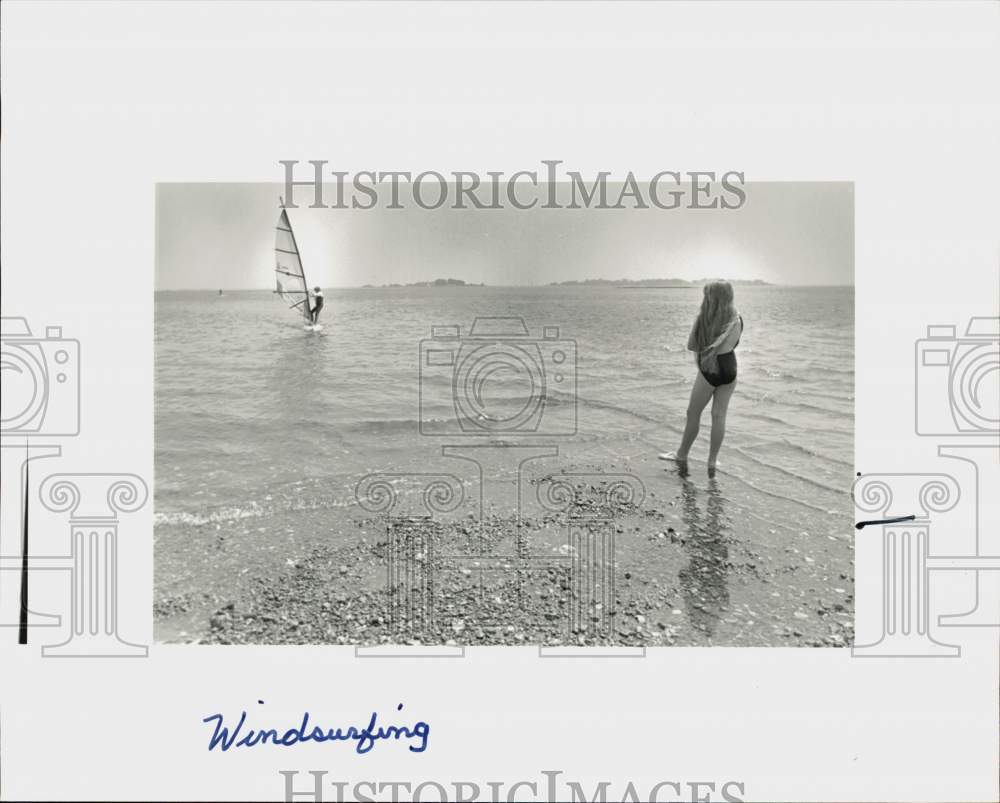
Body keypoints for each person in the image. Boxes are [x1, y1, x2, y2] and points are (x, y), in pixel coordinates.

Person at [660, 281, 744, 478]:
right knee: (719, 415)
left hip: (709, 368)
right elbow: (734, 344)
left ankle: (681, 455)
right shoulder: (737, 319)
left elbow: (692, 346)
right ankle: (712, 462)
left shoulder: (704, 318)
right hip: (730, 368)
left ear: (710, 298)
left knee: (693, 413)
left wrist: (703, 361)